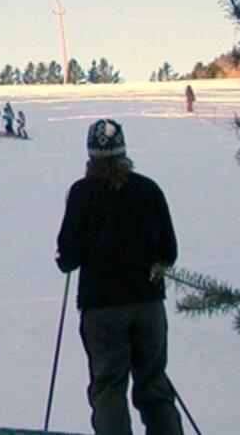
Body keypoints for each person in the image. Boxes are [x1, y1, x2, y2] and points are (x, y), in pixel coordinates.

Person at [55, 119, 183, 435]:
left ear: (91, 155)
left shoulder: (83, 192)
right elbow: (169, 252)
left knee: (109, 388)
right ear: (123, 151)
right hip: (148, 304)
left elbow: (68, 255)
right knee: (153, 384)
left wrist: (69, 258)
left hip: (102, 308)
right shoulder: (148, 189)